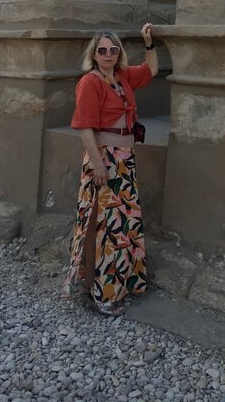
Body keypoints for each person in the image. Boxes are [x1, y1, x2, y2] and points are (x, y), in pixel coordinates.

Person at [62, 23, 158, 316]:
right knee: (105, 228)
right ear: (94, 54)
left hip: (124, 161)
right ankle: (102, 294)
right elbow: (85, 127)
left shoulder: (121, 76)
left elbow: (151, 70)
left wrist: (149, 42)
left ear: (119, 53)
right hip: (104, 159)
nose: (108, 54)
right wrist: (98, 164)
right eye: (102, 50)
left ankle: (121, 285)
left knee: (123, 226)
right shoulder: (90, 82)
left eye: (113, 49)